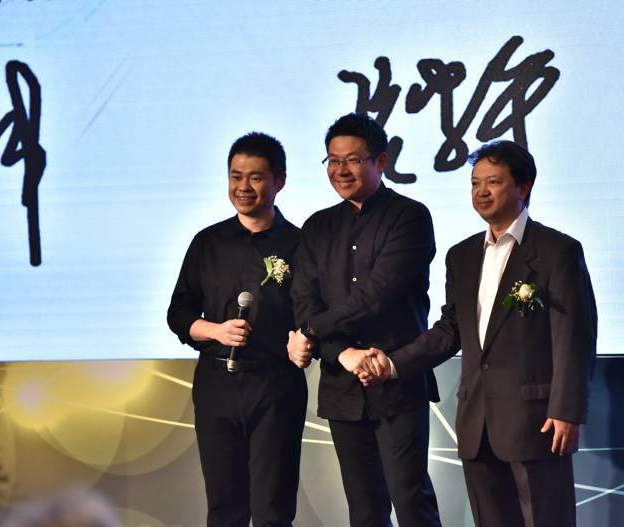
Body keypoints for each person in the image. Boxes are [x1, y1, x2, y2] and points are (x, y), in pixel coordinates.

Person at [358, 140, 597, 527]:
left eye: (494, 182)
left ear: (523, 187)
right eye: (475, 183)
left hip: (536, 420)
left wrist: (566, 410)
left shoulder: (558, 251)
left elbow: (575, 338)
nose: (481, 192)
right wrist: (392, 363)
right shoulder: (462, 255)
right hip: (476, 420)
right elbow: (450, 329)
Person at [287, 113, 442, 527]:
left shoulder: (410, 217)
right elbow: (303, 300)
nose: (341, 170)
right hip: (342, 386)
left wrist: (312, 333)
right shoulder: (317, 227)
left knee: (411, 500)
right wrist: (343, 354)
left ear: (381, 161)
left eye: (353, 160)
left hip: (395, 380)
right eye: (333, 161)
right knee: (364, 508)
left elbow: (376, 294)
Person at [167, 132, 306, 527]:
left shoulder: (300, 243)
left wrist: (305, 336)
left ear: (279, 181)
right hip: (216, 385)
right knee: (225, 507)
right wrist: (215, 331)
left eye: (256, 177)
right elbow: (179, 313)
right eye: (235, 176)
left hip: (276, 385)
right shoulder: (207, 242)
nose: (243, 187)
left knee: (272, 508)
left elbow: (312, 310)